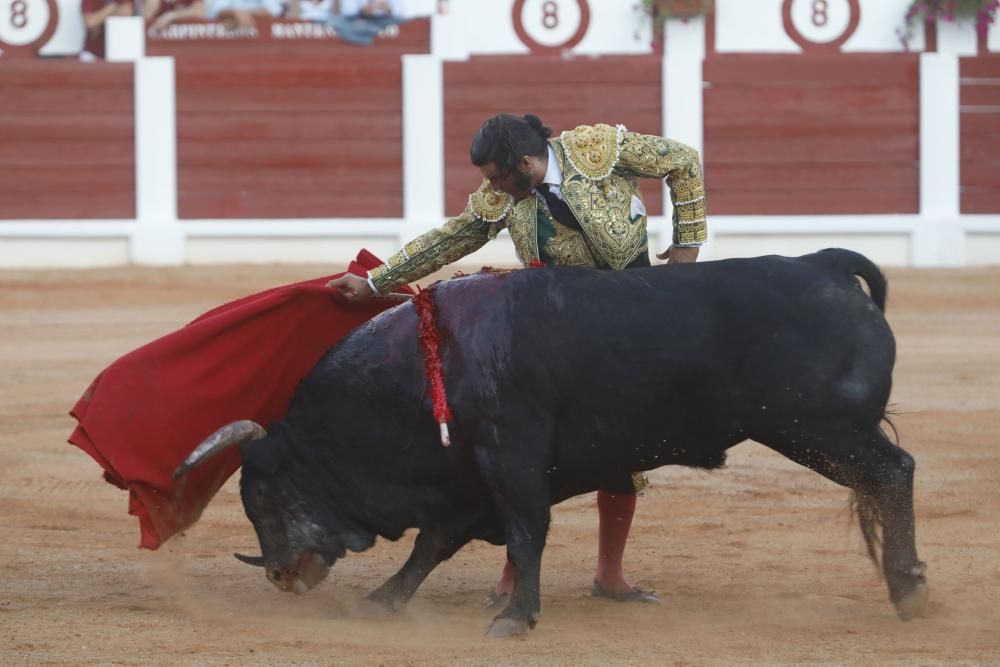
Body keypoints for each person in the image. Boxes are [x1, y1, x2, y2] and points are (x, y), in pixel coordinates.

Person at [328, 113, 707, 606]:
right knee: (528, 450)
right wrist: (377, 281)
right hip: (555, 329)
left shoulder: (599, 149)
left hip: (629, 324)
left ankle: (610, 576)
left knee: (623, 449)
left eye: (496, 177)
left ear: (525, 163)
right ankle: (512, 574)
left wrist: (687, 243)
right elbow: (452, 237)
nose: (491, 187)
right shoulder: (503, 195)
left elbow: (683, 161)